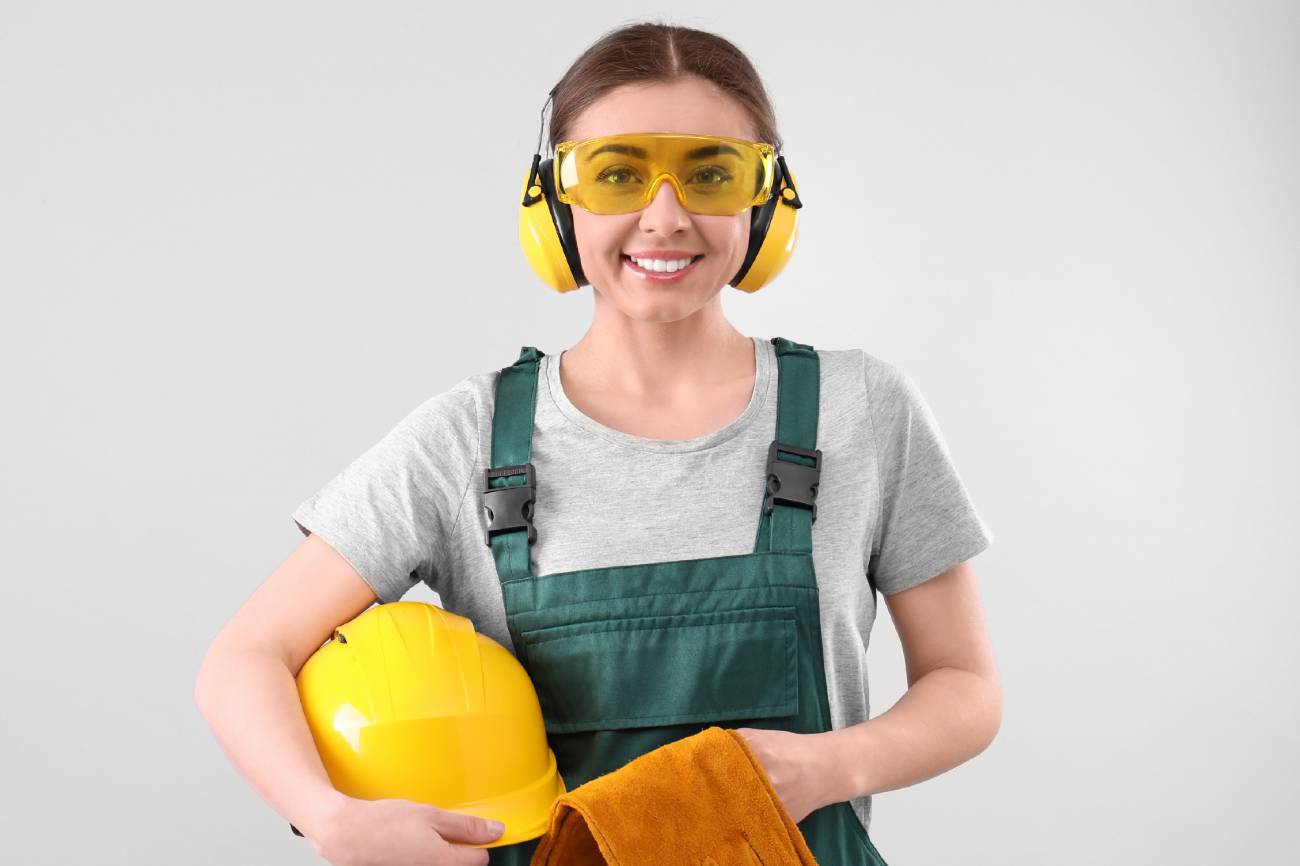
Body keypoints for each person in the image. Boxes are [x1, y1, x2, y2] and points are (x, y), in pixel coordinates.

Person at [195, 20, 1001, 866]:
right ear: (553, 205)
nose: (665, 216)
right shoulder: (466, 440)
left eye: (710, 174)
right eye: (617, 174)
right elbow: (245, 657)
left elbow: (966, 684)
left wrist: (829, 765)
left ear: (766, 202)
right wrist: (329, 817)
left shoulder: (859, 409)